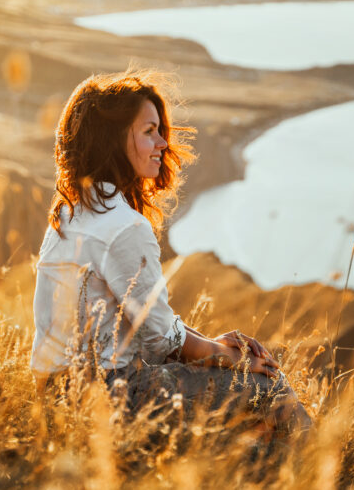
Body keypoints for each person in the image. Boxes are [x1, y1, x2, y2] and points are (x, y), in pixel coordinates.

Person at [30, 69, 311, 437]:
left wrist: (214, 347)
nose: (163, 142)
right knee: (272, 390)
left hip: (53, 398)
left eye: (160, 130)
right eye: (149, 132)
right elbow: (161, 342)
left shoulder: (68, 212)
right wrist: (230, 358)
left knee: (250, 437)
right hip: (108, 395)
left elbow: (150, 326)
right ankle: (325, 470)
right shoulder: (124, 226)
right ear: (113, 141)